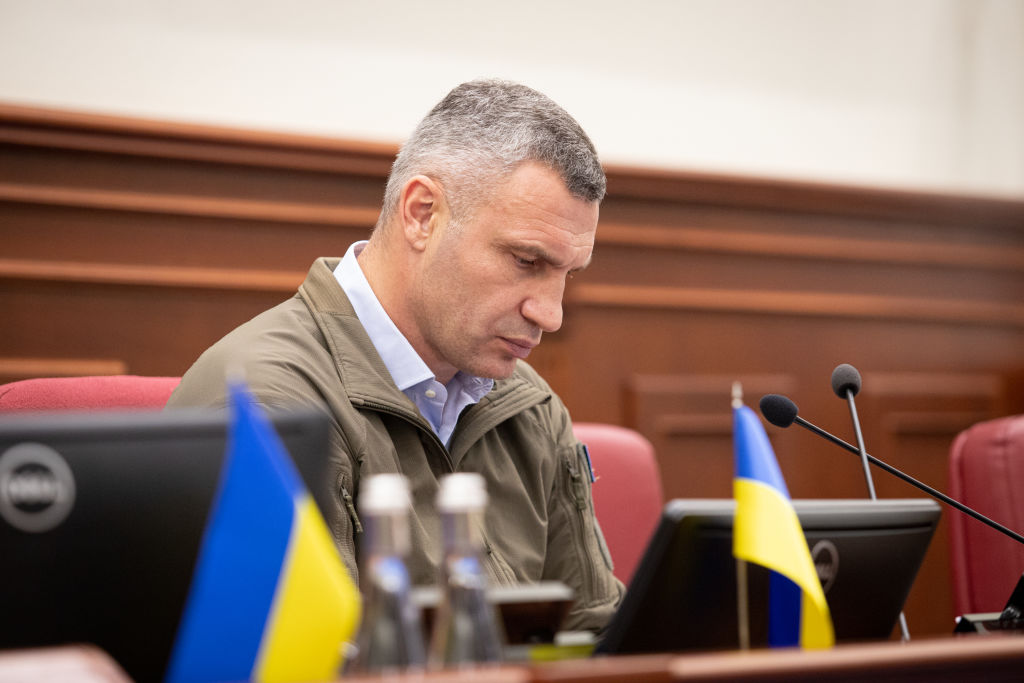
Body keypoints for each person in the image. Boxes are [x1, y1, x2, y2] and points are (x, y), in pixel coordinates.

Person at [166, 79, 624, 632]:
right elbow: (302, 661)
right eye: (527, 261)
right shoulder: (270, 401)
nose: (550, 314)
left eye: (567, 275)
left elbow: (593, 637)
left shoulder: (528, 404)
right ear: (422, 214)